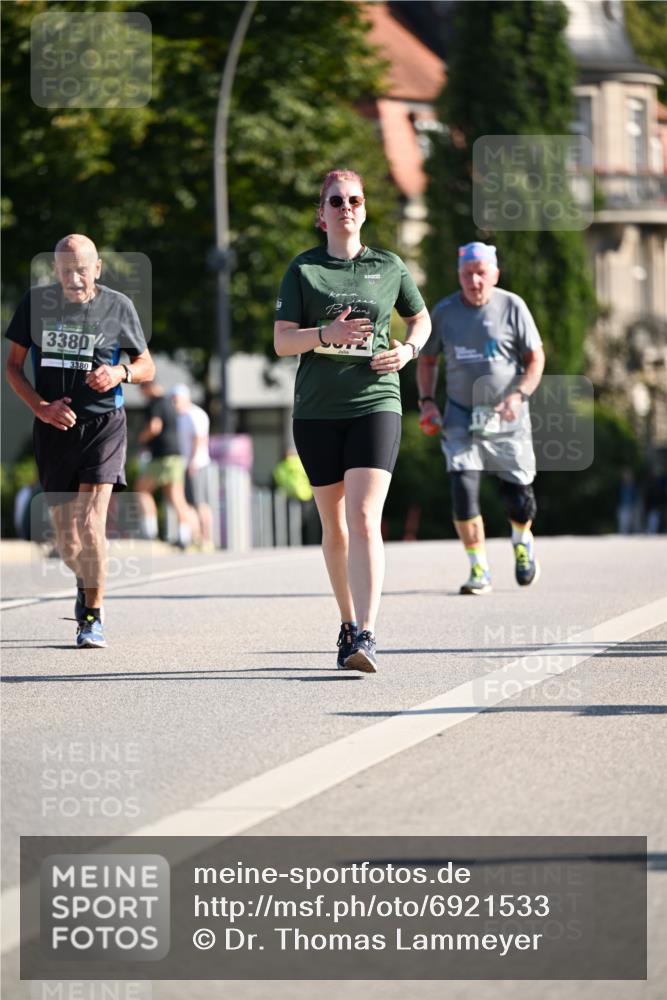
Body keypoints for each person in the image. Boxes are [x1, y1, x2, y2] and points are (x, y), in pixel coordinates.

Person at [274, 168, 431, 672]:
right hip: (317, 411)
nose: (347, 208)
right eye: (336, 201)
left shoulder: (389, 265)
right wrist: (326, 334)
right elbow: (282, 342)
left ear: (364, 210)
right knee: (335, 527)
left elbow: (421, 318)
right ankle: (346, 622)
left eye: (355, 201)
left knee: (364, 517)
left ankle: (366, 632)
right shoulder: (304, 269)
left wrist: (408, 351)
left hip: (375, 402)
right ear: (321, 215)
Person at [5, 233, 155, 647]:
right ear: (55, 269)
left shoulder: (118, 306)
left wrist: (120, 372)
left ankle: (92, 615)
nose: (74, 278)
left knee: (91, 524)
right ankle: (85, 584)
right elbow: (13, 368)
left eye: (82, 269)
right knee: (67, 541)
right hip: (53, 429)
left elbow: (146, 365)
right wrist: (41, 408)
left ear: (98, 269)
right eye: (66, 270)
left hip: (103, 425)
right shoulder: (36, 304)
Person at [417, 241, 545, 595]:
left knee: (518, 498)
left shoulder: (512, 306)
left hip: (507, 415)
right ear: (458, 275)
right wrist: (427, 402)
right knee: (463, 490)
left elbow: (536, 359)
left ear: (495, 274)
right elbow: (427, 360)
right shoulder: (444, 312)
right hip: (460, 416)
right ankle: (479, 569)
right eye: (466, 274)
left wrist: (519, 395)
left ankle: (522, 540)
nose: (474, 281)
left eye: (481, 273)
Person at [135, 381, 193, 550]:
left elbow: (155, 427)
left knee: (142, 490)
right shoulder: (170, 402)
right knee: (176, 497)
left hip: (162, 456)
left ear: (148, 387)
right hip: (175, 456)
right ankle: (184, 536)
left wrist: (142, 438)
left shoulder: (156, 403)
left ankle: (150, 531)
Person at [171, 383, 214, 550]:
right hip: (184, 464)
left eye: (177, 400)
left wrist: (194, 461)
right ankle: (195, 537)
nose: (175, 404)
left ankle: (206, 538)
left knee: (200, 502)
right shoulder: (180, 416)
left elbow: (199, 439)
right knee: (188, 503)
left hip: (197, 464)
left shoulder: (195, 414)